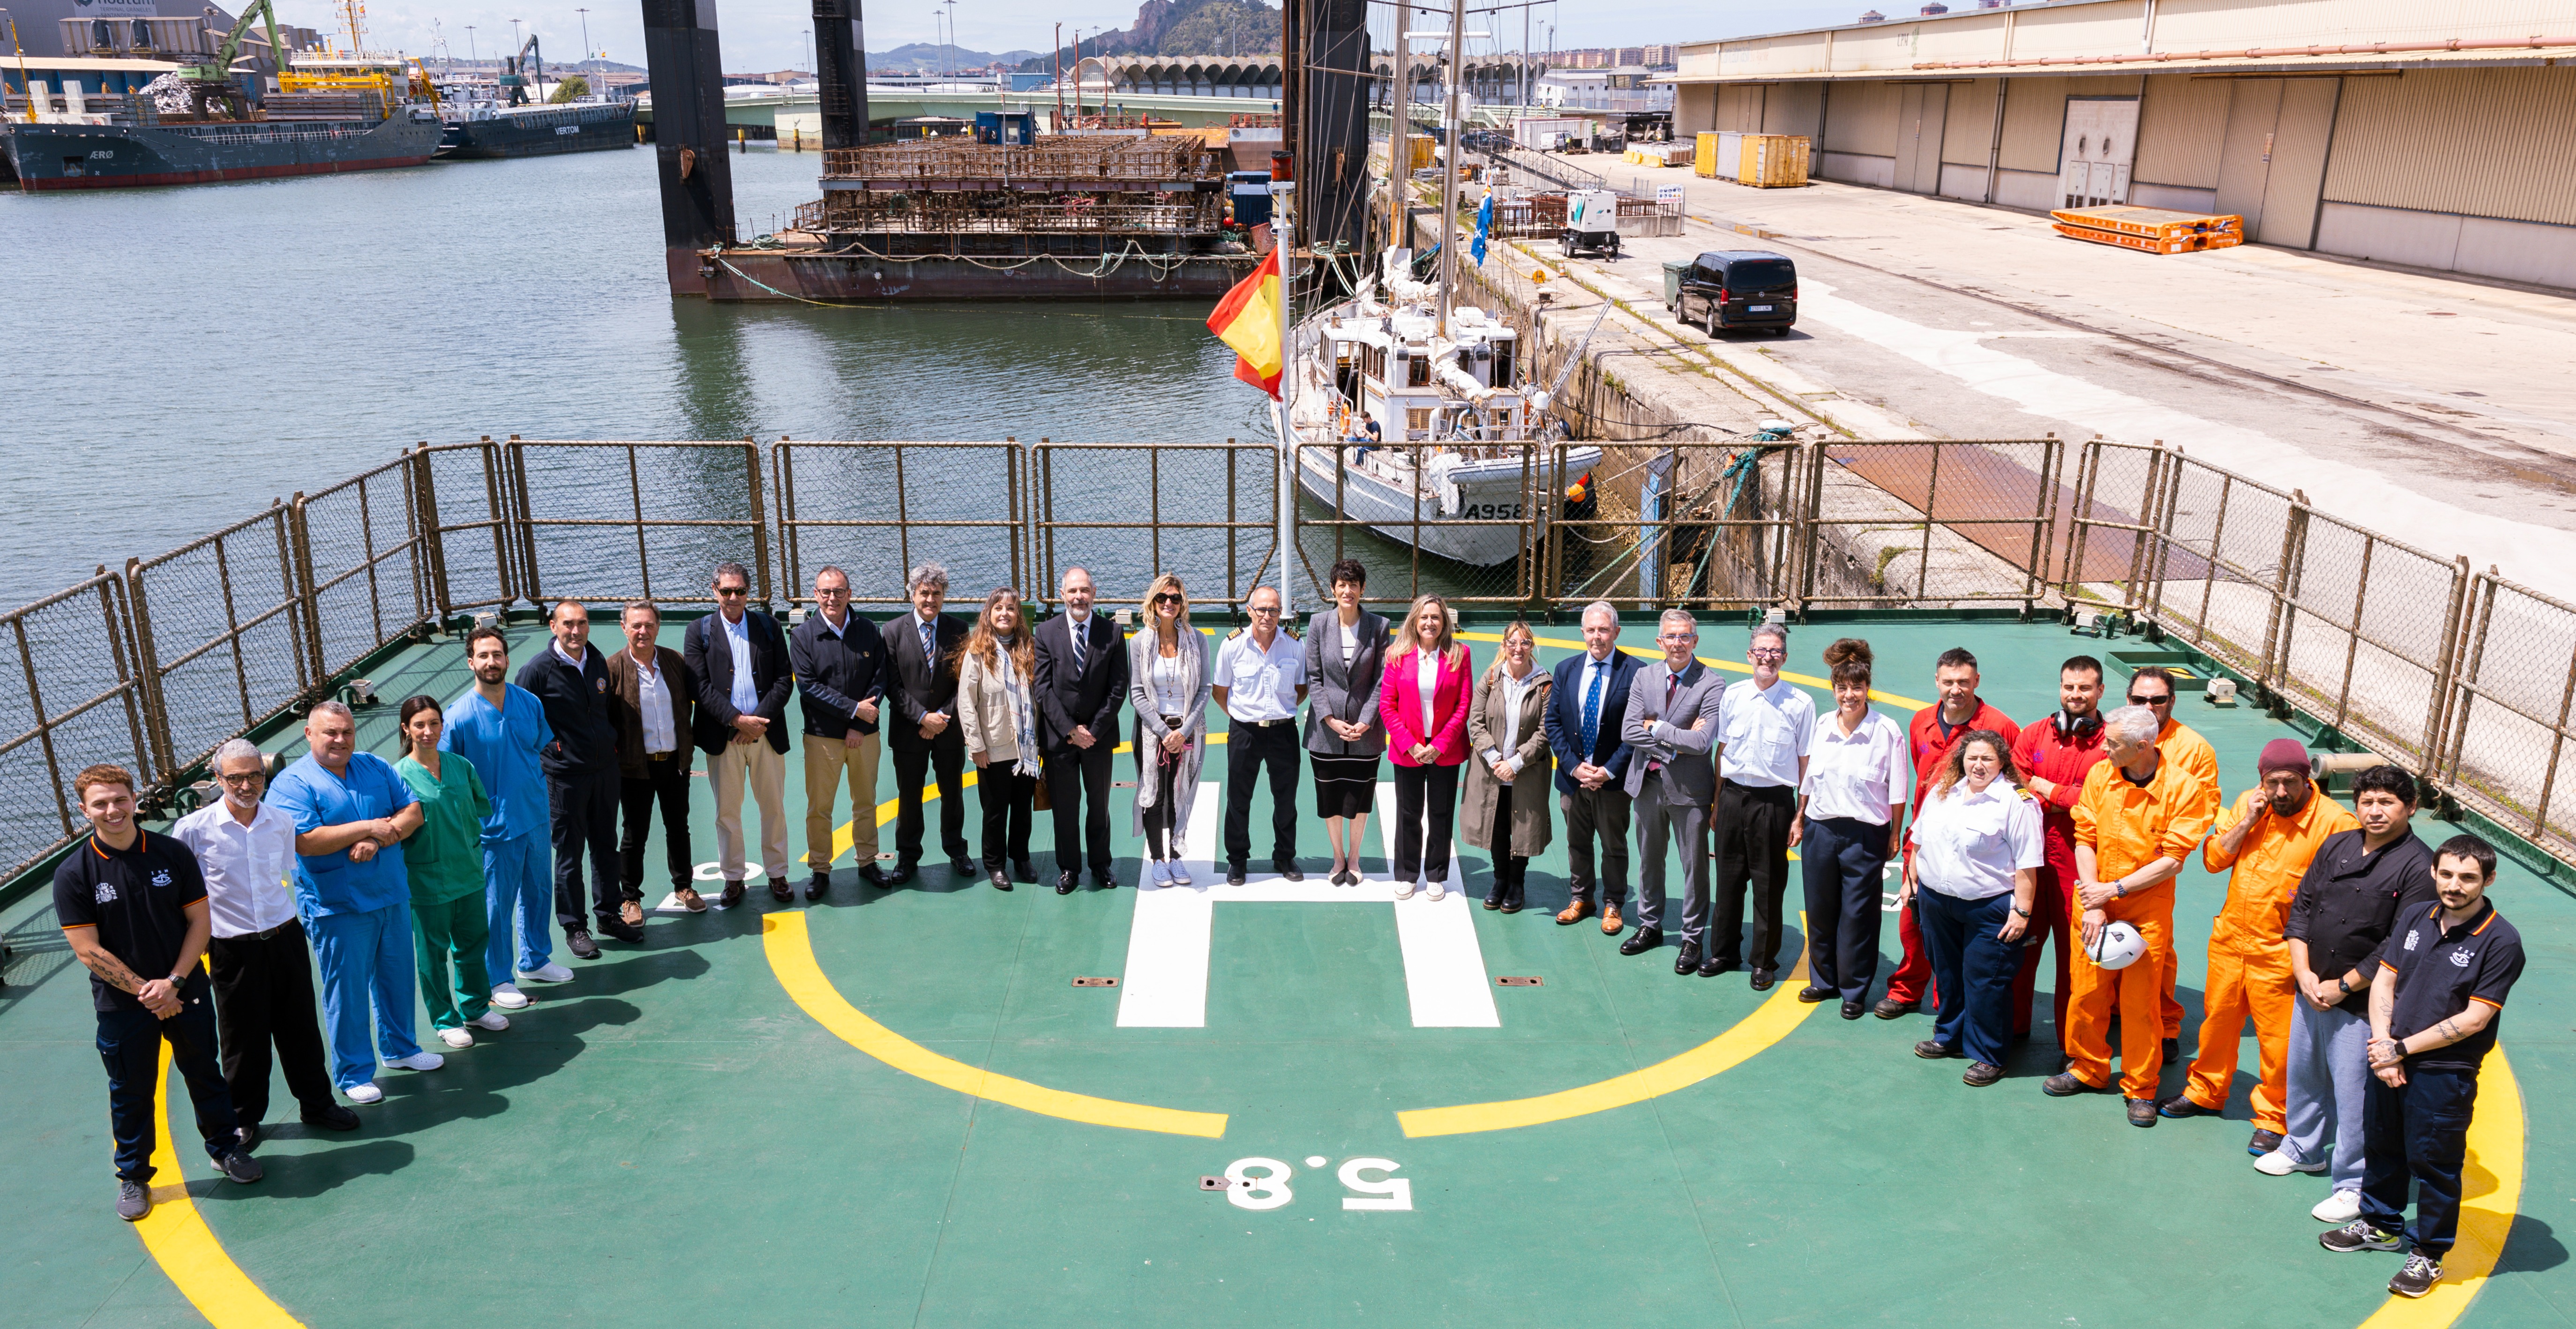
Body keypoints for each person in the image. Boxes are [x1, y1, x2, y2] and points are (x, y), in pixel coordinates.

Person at [2320, 834, 2524, 1300]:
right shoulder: (2417, 915)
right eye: (2447, 873)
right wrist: (2382, 1043)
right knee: (2384, 1144)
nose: (2455, 885)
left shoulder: (2501, 941)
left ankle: (2429, 1253)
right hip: (2391, 1053)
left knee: (2434, 1163)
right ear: (2434, 873)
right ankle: (2380, 1222)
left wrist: (2401, 1050)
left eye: (2468, 877)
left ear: (2488, 880)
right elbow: (2384, 980)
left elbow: (2474, 1019)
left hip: (2443, 1070)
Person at [61, 763, 263, 1220]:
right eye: (100, 803)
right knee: (131, 1089)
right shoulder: (75, 873)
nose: (112, 810)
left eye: (119, 799)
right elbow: (86, 949)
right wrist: (145, 991)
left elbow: (200, 922)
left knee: (204, 1072)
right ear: (84, 809)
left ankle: (225, 1148)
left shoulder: (171, 854)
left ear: (135, 799)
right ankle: (134, 1175)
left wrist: (173, 981)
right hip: (123, 1005)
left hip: (184, 989)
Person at [2160, 739, 2359, 1150]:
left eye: (2290, 783)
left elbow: (2348, 893)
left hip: (2283, 950)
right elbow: (2214, 860)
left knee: (2279, 1042)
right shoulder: (2250, 805)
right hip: (2233, 938)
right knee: (2217, 1022)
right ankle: (2205, 1091)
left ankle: (2275, 1116)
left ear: (2308, 779)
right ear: (2261, 781)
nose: (2281, 793)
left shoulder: (2336, 823)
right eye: (2273, 783)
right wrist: (2248, 819)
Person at [2266, 765, 2435, 1223]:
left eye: (2387, 803)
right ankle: (2303, 1146)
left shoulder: (2420, 865)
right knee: (2303, 1072)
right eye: (2367, 802)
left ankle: (2356, 1181)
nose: (2375, 811)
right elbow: (2302, 905)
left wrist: (2343, 986)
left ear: (2410, 808)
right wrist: (2302, 971)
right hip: (2312, 986)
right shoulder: (2339, 842)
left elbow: (2398, 941)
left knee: (2356, 1093)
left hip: (2361, 1001)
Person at [172, 740, 361, 1150]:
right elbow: (182, 895)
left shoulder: (280, 821)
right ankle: (243, 1117)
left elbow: (281, 876)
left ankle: (317, 1104)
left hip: (283, 936)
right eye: (235, 777)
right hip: (230, 948)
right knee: (243, 1038)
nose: (246, 785)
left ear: (264, 775)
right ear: (218, 779)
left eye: (254, 775)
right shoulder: (193, 830)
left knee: (300, 1028)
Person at [2045, 704, 2213, 1126]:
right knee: (2086, 991)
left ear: (2142, 746)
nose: (2103, 749)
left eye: (2113, 744)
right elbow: (2086, 836)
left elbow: (2173, 860)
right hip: (2096, 899)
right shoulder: (2103, 775)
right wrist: (2097, 901)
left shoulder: (2184, 790)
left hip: (2145, 909)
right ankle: (2087, 1067)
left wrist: (2115, 890)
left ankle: (2141, 1087)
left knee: (2140, 1005)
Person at [266, 701, 441, 1103]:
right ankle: (354, 1071)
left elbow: (412, 811)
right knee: (347, 991)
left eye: (347, 732)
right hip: (338, 906)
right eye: (330, 732)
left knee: (397, 976)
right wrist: (368, 826)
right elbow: (306, 841)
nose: (340, 740)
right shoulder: (293, 785)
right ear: (309, 735)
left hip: (390, 893)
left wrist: (376, 837)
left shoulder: (374, 766)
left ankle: (401, 1049)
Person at [1879, 647, 2020, 1019]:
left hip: (1973, 845)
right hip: (1925, 839)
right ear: (1937, 682)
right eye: (1948, 682)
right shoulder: (1921, 722)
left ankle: (1948, 1004)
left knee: (1955, 932)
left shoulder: (2001, 727)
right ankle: (1907, 990)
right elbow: (1921, 779)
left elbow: (2014, 785)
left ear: (1977, 681)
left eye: (1963, 682)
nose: (1955, 689)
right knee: (1914, 923)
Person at [1901, 730, 2042, 1086]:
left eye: (1988, 759)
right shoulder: (1942, 792)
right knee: (1947, 973)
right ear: (1962, 759)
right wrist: (1912, 880)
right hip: (1937, 901)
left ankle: (1989, 1055)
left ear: (2002, 764)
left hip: (1989, 906)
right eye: (1972, 758)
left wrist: (2022, 912)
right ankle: (1949, 1036)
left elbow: (2028, 863)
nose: (1979, 765)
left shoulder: (2017, 803)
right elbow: (1918, 840)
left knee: (1986, 981)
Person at [440, 626, 561, 1006]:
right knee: (496, 904)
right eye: (484, 655)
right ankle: (497, 979)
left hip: (536, 815)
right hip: (492, 828)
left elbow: (538, 748)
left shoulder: (529, 703)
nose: (492, 662)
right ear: (471, 662)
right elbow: (447, 774)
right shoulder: (458, 717)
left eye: (497, 654)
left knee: (539, 891)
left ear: (507, 660)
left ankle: (536, 959)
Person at [2007, 656, 2114, 1049]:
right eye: (2069, 687)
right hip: (2030, 865)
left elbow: (2099, 803)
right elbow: (2015, 787)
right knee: (2019, 949)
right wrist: (2064, 799)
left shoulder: (2110, 745)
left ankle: (2073, 1048)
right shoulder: (2034, 734)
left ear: (2100, 691)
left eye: (2085, 688)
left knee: (2077, 965)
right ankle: (2013, 1028)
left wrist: (2049, 791)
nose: (2076, 695)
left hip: (2080, 868)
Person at [1794, 639, 1905, 1019]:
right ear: (1834, 690)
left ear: (1867, 688)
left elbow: (1898, 788)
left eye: (1857, 688)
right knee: (1820, 909)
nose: (1850, 695)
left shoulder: (1887, 731)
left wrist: (1894, 834)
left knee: (1858, 915)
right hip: (1821, 829)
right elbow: (1808, 779)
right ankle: (1824, 981)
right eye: (1842, 688)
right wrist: (1800, 817)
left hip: (1864, 835)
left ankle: (1855, 990)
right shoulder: (1824, 725)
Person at [517, 600, 638, 948]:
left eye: (582, 624)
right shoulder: (538, 671)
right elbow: (525, 724)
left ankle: (609, 915)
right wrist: (554, 751)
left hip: (603, 771)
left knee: (605, 847)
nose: (576, 631)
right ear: (553, 627)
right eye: (568, 624)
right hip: (565, 777)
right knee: (569, 853)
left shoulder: (596, 660)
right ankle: (575, 926)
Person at [391, 695, 508, 1050]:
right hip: (427, 882)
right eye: (420, 725)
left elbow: (477, 809)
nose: (428, 732)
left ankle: (475, 1006)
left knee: (473, 945)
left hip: (468, 874)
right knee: (433, 955)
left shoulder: (460, 766)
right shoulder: (397, 777)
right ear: (406, 730)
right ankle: (445, 1019)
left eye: (434, 724)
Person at [1708, 622, 1815, 988]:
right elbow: (1722, 751)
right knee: (1728, 879)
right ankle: (1724, 952)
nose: (1767, 657)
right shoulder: (1733, 696)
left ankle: (1763, 961)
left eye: (1775, 651)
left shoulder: (1801, 704)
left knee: (1768, 885)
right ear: (1749, 655)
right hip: (1734, 796)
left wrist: (1800, 815)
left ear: (1784, 658)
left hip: (1774, 802)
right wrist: (1717, 801)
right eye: (1761, 650)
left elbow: (1806, 764)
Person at [2125, 664, 2223, 1062]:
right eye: (2139, 700)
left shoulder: (2194, 749)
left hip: (2155, 865)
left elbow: (2205, 807)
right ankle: (2119, 1009)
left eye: (2158, 700)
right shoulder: (2115, 736)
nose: (2148, 707)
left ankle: (2164, 1024)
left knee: (2156, 950)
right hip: (2109, 860)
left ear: (2172, 702)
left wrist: (2160, 848)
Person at [1618, 609, 1724, 970]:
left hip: (1690, 790)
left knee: (1694, 866)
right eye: (1671, 637)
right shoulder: (1644, 677)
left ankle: (1693, 938)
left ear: (1695, 641)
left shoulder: (1711, 683)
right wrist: (1673, 742)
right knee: (1649, 859)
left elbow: (1702, 741)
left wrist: (1658, 728)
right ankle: (1650, 925)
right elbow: (1628, 730)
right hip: (1647, 784)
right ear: (1659, 641)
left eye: (1685, 637)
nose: (1677, 643)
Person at [684, 563, 795, 905]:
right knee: (728, 812)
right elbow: (699, 687)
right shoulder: (698, 631)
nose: (734, 598)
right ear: (714, 591)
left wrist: (756, 721)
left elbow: (782, 679)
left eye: (741, 591)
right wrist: (736, 720)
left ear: (750, 593)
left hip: (765, 734)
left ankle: (778, 874)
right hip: (723, 737)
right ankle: (733, 879)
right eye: (727, 591)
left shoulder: (769, 626)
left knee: (773, 807)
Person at [787, 565, 886, 899]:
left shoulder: (869, 631)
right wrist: (854, 710)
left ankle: (868, 861)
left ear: (849, 593)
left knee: (866, 802)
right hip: (822, 738)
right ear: (816, 595)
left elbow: (879, 680)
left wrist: (859, 725)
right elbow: (809, 688)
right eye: (826, 592)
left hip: (865, 737)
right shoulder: (803, 637)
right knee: (820, 807)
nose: (832, 598)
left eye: (839, 591)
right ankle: (820, 868)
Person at [1544, 601, 1640, 933]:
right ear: (1582, 632)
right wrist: (1574, 767)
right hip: (1575, 779)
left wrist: (1607, 771)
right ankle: (1581, 898)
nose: (1597, 637)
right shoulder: (1566, 669)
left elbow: (1635, 731)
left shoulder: (1635, 672)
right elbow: (1553, 723)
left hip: (1611, 781)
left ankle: (1614, 904)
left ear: (1616, 632)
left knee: (1614, 845)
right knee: (1577, 841)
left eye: (1603, 630)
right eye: (1591, 630)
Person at [1035, 565, 1129, 893]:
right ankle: (1069, 868)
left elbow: (1118, 689)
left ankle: (1101, 864)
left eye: (1084, 591)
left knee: (1099, 805)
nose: (1079, 597)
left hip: (1098, 739)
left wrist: (1094, 731)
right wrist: (1070, 731)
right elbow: (1043, 689)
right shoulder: (1046, 633)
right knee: (1065, 807)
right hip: (1060, 740)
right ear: (1063, 595)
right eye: (1072, 591)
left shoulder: (1112, 633)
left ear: (1094, 593)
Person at [607, 601, 703, 914]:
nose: (643, 631)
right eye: (636, 625)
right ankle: (630, 898)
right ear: (624, 628)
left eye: (649, 625)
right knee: (635, 834)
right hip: (635, 767)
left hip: (674, 762)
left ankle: (684, 886)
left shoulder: (675, 662)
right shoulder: (612, 670)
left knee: (678, 827)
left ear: (658, 627)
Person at [884, 562, 973, 883]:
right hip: (910, 729)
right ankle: (908, 857)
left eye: (936, 593)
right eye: (924, 593)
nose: (930, 600)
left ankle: (957, 850)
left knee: (953, 793)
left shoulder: (959, 629)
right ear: (912, 594)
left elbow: (964, 681)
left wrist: (942, 718)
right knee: (910, 796)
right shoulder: (892, 632)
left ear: (944, 595)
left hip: (948, 728)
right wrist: (922, 717)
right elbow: (892, 686)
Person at [1380, 594, 1475, 901]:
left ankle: (1435, 874)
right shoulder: (1397, 655)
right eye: (1424, 617)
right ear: (1414, 621)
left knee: (1440, 813)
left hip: (1445, 750)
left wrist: (1440, 745)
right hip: (1410, 748)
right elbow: (1387, 707)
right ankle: (1407, 874)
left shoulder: (1460, 654)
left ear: (1444, 622)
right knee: (1408, 813)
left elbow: (1464, 705)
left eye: (1435, 617)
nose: (1430, 623)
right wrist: (1411, 745)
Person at [1213, 583, 1305, 885]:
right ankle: (1238, 860)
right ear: (1250, 611)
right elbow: (1220, 692)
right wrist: (1244, 717)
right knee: (1238, 798)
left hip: (1283, 731)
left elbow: (1301, 689)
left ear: (1281, 613)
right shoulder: (1232, 646)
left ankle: (1285, 856)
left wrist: (1278, 710)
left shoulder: (1293, 645)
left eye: (1273, 610)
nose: (1267, 615)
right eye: (1261, 609)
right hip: (1245, 732)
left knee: (1286, 799)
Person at [1124, 572, 1213, 883]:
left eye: (1175, 598)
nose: (1169, 603)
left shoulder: (1197, 640)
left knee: (1181, 793)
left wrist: (1184, 731)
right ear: (1153, 602)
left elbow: (1204, 689)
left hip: (1186, 732)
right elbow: (1136, 692)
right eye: (1162, 598)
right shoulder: (1139, 643)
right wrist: (1164, 733)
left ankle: (1176, 856)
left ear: (1182, 603)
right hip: (1153, 732)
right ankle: (1158, 859)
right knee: (1155, 793)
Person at [1304, 560, 1387, 886]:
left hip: (1365, 733)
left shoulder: (1379, 626)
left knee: (1360, 796)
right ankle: (1338, 856)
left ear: (1362, 589)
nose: (1347, 591)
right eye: (1342, 585)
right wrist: (1330, 719)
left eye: (1353, 585)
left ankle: (1355, 856)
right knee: (1331, 796)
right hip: (1326, 732)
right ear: (1333, 589)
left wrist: (1366, 721)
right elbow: (1314, 677)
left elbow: (1382, 679)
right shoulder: (1318, 624)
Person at [1463, 620, 1552, 912]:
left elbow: (1545, 730)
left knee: (1522, 827)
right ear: (1504, 646)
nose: (1519, 649)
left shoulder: (1545, 684)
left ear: (1532, 647)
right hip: (1491, 771)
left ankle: (1517, 883)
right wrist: (1494, 759)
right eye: (1513, 643)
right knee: (1497, 825)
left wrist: (1515, 763)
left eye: (1525, 643)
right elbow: (1475, 722)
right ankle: (1500, 879)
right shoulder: (1490, 678)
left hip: (1525, 771)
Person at [956, 587, 1042, 890]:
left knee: (1022, 809)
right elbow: (967, 702)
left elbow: (1037, 697)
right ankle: (995, 865)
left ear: (1018, 615)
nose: (1005, 614)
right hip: (993, 747)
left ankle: (1021, 858)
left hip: (1025, 748)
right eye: (998, 609)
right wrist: (976, 745)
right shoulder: (978, 653)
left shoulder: (1027, 650)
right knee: (994, 812)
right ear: (989, 615)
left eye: (1011, 609)